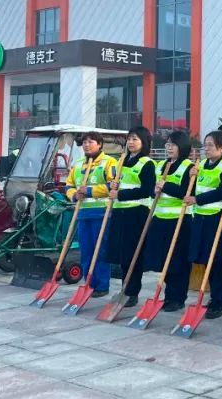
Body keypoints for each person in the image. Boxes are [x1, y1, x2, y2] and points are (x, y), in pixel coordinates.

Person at [136, 129, 193, 311]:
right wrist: (155, 190)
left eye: (173, 144)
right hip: (160, 218)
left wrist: (165, 186)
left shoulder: (189, 167)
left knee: (178, 261)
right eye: (168, 144)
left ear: (182, 146)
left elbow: (187, 192)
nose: (169, 148)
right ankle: (168, 296)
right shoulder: (161, 165)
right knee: (163, 260)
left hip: (179, 220)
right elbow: (153, 189)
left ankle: (178, 298)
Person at [105, 126, 157, 307]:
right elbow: (118, 184)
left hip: (136, 214)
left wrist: (120, 194)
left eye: (135, 139)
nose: (131, 142)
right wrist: (113, 186)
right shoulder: (122, 161)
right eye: (129, 139)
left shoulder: (147, 163)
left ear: (144, 142)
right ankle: (125, 288)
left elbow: (147, 190)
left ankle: (132, 292)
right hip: (120, 212)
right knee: (122, 254)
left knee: (133, 254)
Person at [186, 130, 222, 318]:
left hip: (218, 218)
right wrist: (192, 176)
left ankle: (220, 301)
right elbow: (195, 188)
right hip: (201, 218)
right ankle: (214, 298)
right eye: (204, 145)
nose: (206, 149)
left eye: (210, 145)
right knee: (207, 260)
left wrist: (198, 199)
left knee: (218, 261)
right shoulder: (201, 165)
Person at [65, 132, 118, 298]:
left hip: (101, 213)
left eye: (91, 142)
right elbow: (68, 185)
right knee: (86, 250)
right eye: (85, 142)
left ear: (99, 144)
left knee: (100, 251)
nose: (87, 145)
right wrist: (74, 195)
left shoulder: (109, 162)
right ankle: (89, 283)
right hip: (83, 214)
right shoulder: (78, 164)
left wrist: (89, 191)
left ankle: (101, 285)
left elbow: (113, 186)